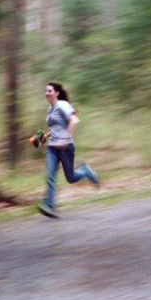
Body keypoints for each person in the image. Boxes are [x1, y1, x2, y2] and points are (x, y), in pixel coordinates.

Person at [30, 82, 99, 218]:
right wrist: (43, 137)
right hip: (52, 148)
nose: (47, 93)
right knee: (50, 176)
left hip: (66, 147)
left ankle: (85, 171)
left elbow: (74, 121)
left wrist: (64, 139)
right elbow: (55, 128)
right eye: (46, 91)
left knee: (71, 178)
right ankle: (49, 206)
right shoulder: (50, 109)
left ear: (56, 93)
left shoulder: (63, 105)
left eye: (50, 91)